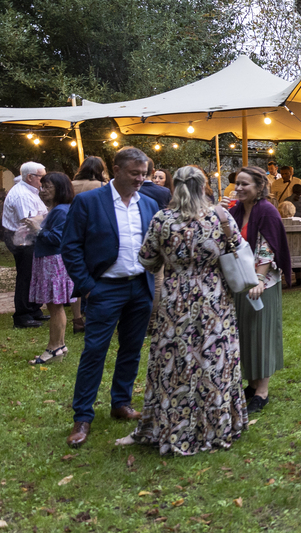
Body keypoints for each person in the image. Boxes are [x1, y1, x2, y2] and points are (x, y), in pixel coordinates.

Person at [120, 165, 249, 454]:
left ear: (175, 187)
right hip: (215, 299)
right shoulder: (220, 216)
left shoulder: (162, 220)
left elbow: (147, 260)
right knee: (215, 359)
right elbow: (238, 248)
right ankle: (217, 426)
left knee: (175, 361)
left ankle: (171, 425)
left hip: (176, 299)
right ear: (203, 186)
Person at [62, 147, 160, 448]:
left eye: (144, 174)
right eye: (134, 173)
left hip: (140, 287)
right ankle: (82, 416)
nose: (140, 179)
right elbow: (71, 246)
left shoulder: (149, 203)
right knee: (94, 351)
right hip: (104, 288)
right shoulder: (89, 201)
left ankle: (121, 403)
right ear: (115, 170)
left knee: (131, 348)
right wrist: (88, 286)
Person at [230, 166, 292, 413]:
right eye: (237, 183)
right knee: (244, 333)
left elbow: (268, 247)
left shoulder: (266, 210)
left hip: (261, 283)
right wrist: (221, 215)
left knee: (260, 333)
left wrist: (259, 279)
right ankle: (252, 382)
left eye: (244, 184)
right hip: (239, 280)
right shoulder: (235, 210)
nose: (238, 188)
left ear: (259, 187)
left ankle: (262, 391)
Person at [27, 172, 76, 364]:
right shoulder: (58, 209)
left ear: (60, 189)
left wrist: (37, 230)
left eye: (48, 187)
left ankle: (53, 348)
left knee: (55, 307)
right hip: (50, 261)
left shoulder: (61, 210)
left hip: (53, 262)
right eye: (43, 186)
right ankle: (60, 346)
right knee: (55, 306)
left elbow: (57, 238)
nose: (43, 190)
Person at [3, 161, 49, 329]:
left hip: (27, 237)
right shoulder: (22, 194)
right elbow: (30, 221)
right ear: (30, 177)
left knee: (34, 274)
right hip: (22, 239)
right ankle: (22, 315)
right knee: (26, 275)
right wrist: (50, 215)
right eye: (42, 177)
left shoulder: (31, 191)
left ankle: (34, 309)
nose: (44, 181)